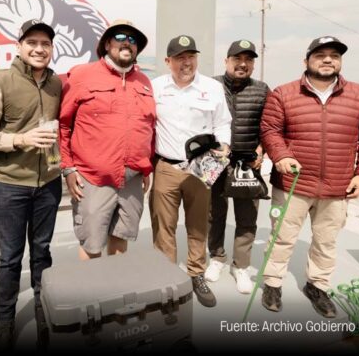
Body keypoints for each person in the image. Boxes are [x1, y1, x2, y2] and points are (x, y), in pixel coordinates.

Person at [259, 36, 359, 318]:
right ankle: (272, 283)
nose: (328, 59)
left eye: (334, 55)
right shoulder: (284, 93)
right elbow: (269, 129)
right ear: (306, 61)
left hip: (338, 186)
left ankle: (317, 286)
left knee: (326, 241)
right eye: (320, 55)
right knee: (281, 237)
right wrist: (280, 156)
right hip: (292, 184)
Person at [0, 19, 61, 351]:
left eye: (46, 43)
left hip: (48, 184)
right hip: (9, 185)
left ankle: (44, 315)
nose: (39, 49)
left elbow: (57, 132)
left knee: (43, 254)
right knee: (10, 258)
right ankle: (5, 323)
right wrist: (22, 139)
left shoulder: (56, 84)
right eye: (32, 42)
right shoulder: (0, 81)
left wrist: (59, 167)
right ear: (19, 45)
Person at [59, 20, 156, 260]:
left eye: (133, 40)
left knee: (120, 240)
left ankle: (114, 292)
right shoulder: (82, 75)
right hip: (93, 179)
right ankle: (90, 297)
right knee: (92, 246)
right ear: (107, 43)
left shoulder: (144, 82)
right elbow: (64, 125)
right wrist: (68, 168)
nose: (127, 42)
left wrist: (146, 168)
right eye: (121, 36)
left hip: (132, 179)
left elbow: (148, 126)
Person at [150, 35, 232, 308]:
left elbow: (222, 123)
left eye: (191, 57)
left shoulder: (212, 87)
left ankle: (196, 273)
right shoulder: (155, 87)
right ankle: (166, 279)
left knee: (198, 225)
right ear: (168, 61)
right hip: (167, 167)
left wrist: (224, 146)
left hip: (200, 169)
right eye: (180, 57)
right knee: (164, 227)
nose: (187, 62)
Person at [204, 40, 270, 295]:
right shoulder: (210, 86)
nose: (243, 64)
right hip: (216, 160)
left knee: (247, 217)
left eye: (249, 60)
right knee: (214, 213)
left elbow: (271, 125)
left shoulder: (262, 89)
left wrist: (262, 149)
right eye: (237, 59)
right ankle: (217, 258)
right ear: (226, 61)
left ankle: (241, 266)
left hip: (247, 163)